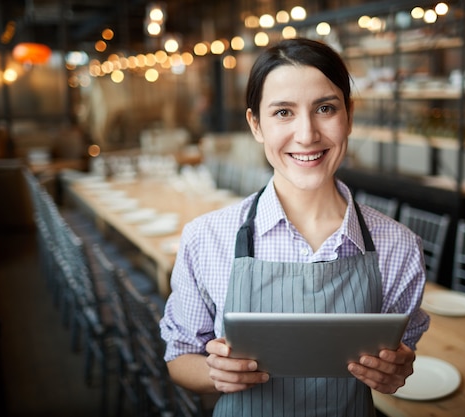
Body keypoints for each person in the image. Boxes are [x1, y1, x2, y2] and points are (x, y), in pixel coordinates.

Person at [160, 37, 430, 416]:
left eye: (324, 108)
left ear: (348, 115)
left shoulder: (398, 247)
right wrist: (214, 371)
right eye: (283, 113)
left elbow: (400, 360)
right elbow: (179, 358)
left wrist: (395, 370)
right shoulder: (207, 237)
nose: (307, 134)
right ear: (256, 124)